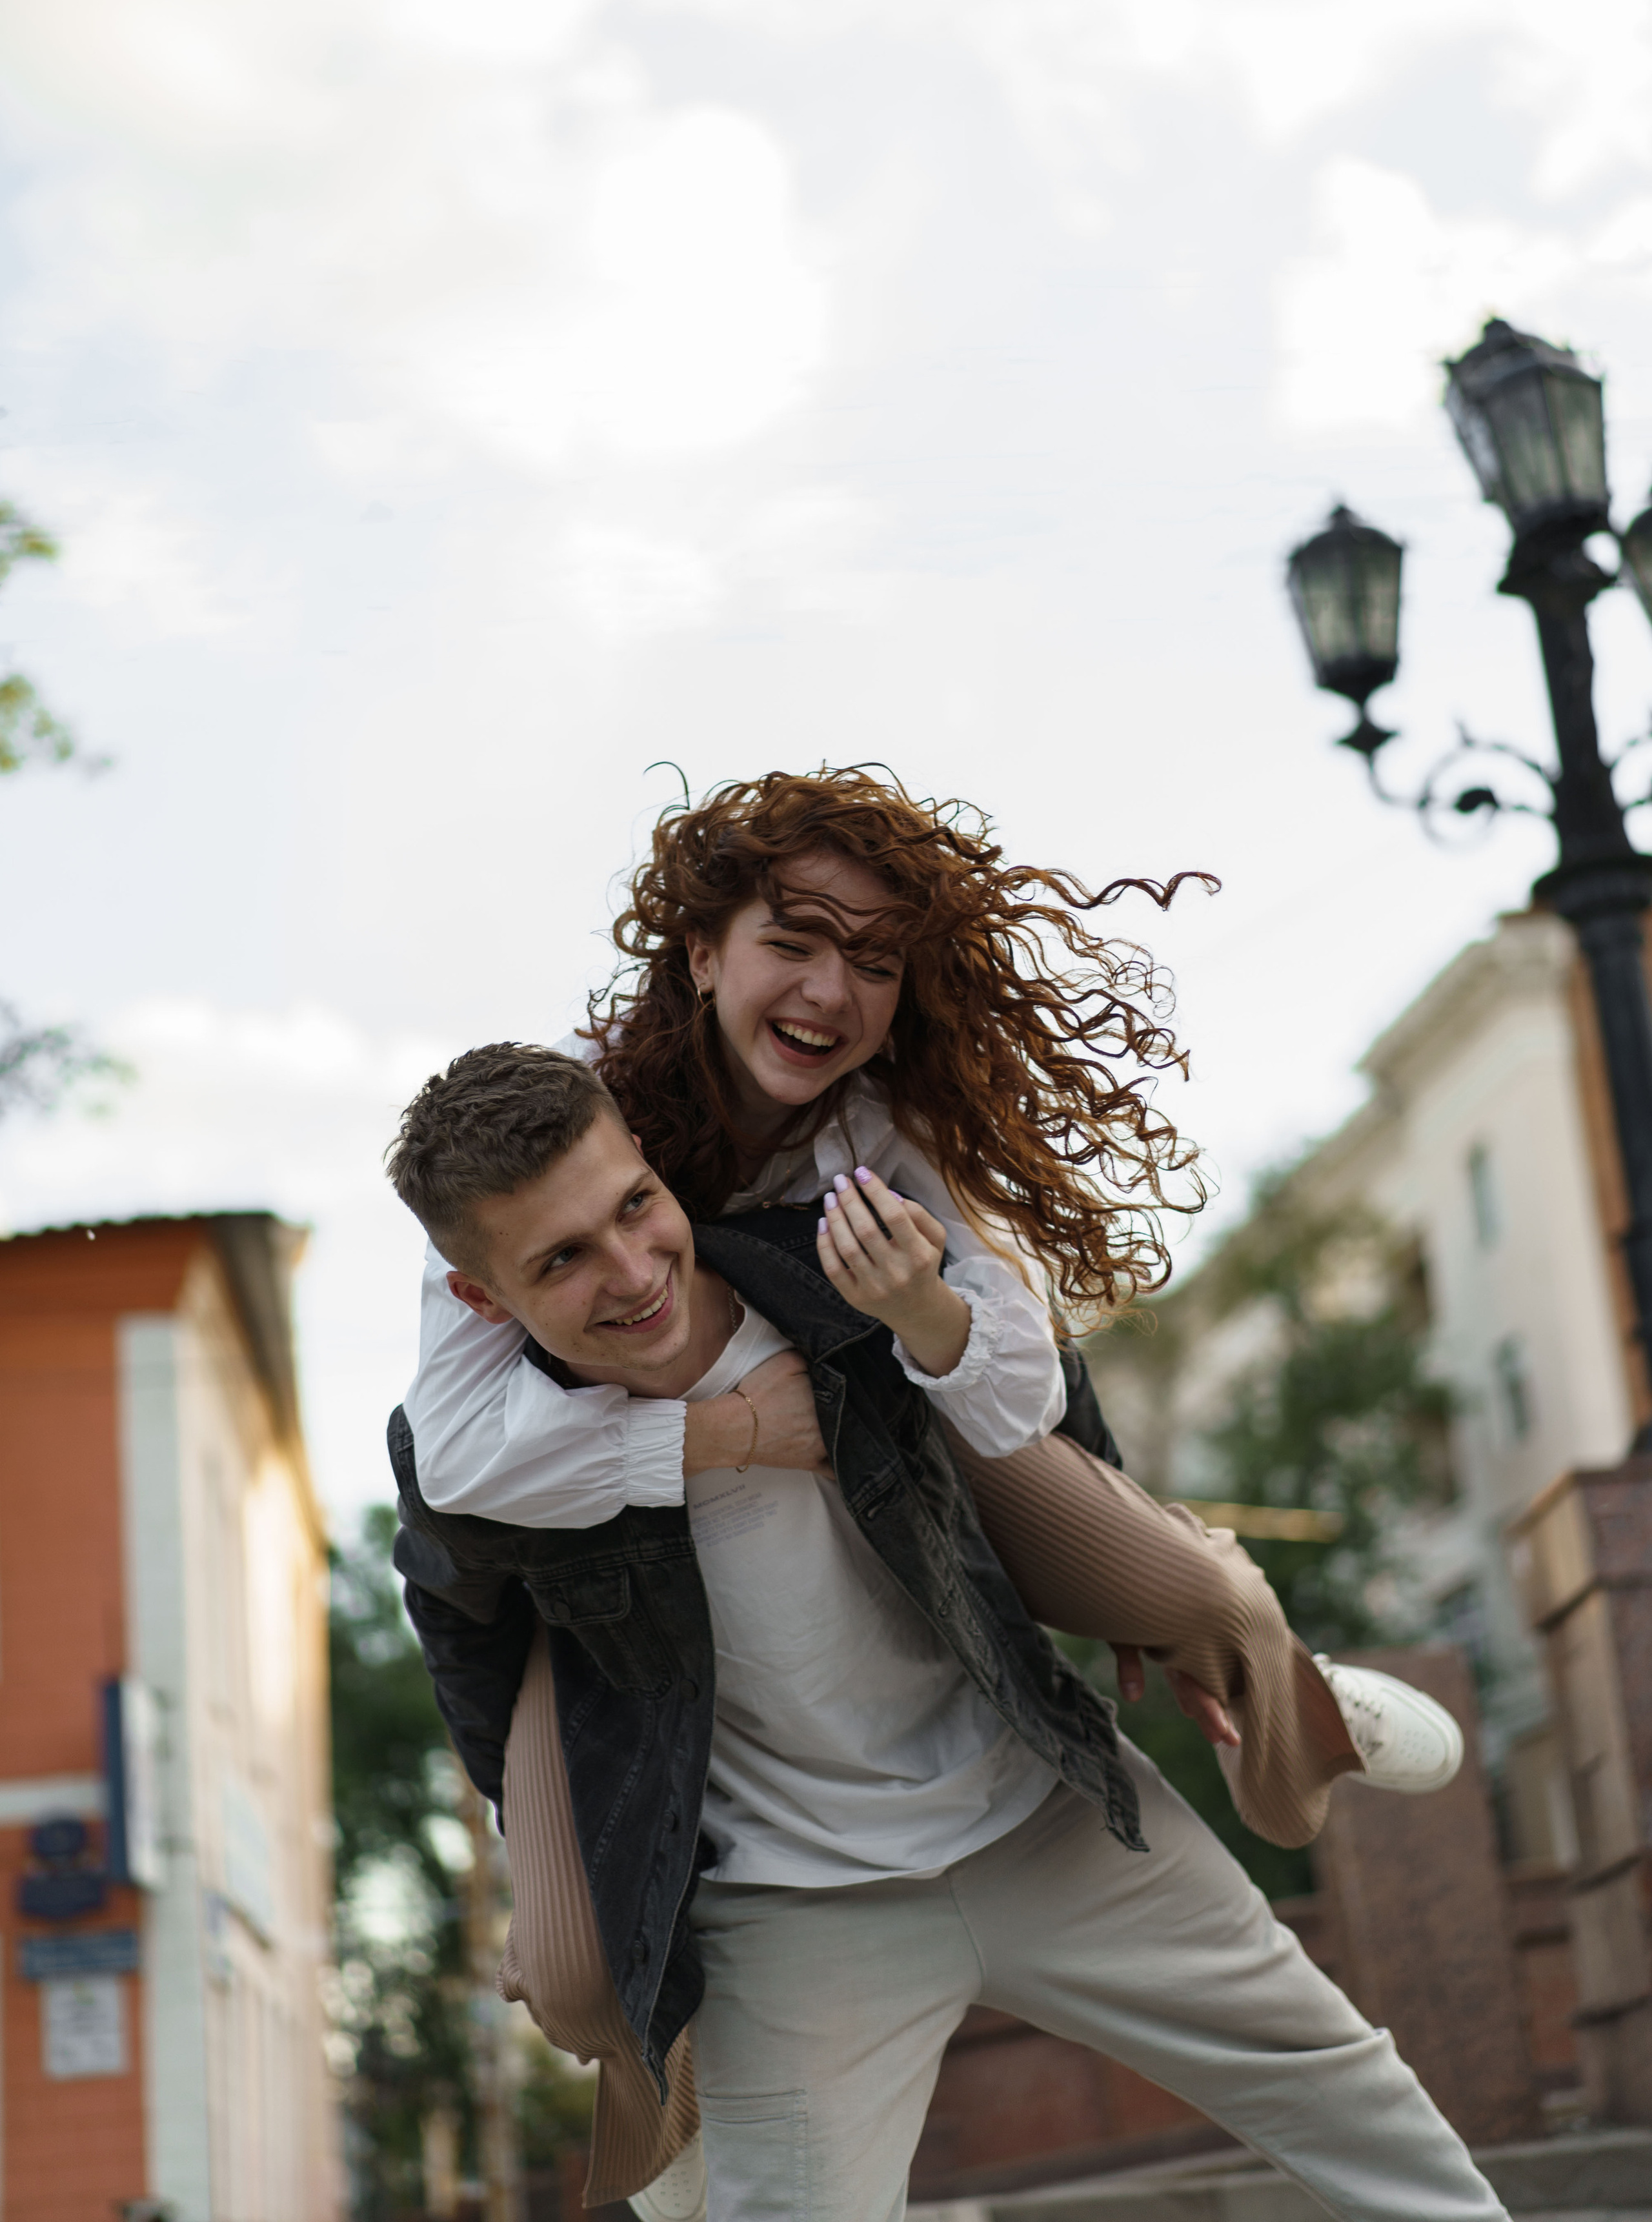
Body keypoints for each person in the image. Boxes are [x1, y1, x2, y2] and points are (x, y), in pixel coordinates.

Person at [397, 769, 1462, 2213]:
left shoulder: (863, 1157)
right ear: (701, 952)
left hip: (1026, 1786)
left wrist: (1045, 1465)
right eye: (794, 941)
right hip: (793, 1903)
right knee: (580, 1974)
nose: (830, 992)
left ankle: (1290, 1689)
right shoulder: (536, 1172)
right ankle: (691, 2103)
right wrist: (715, 1443)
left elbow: (1029, 1388)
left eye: (874, 960)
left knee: (1195, 1588)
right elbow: (451, 1497)